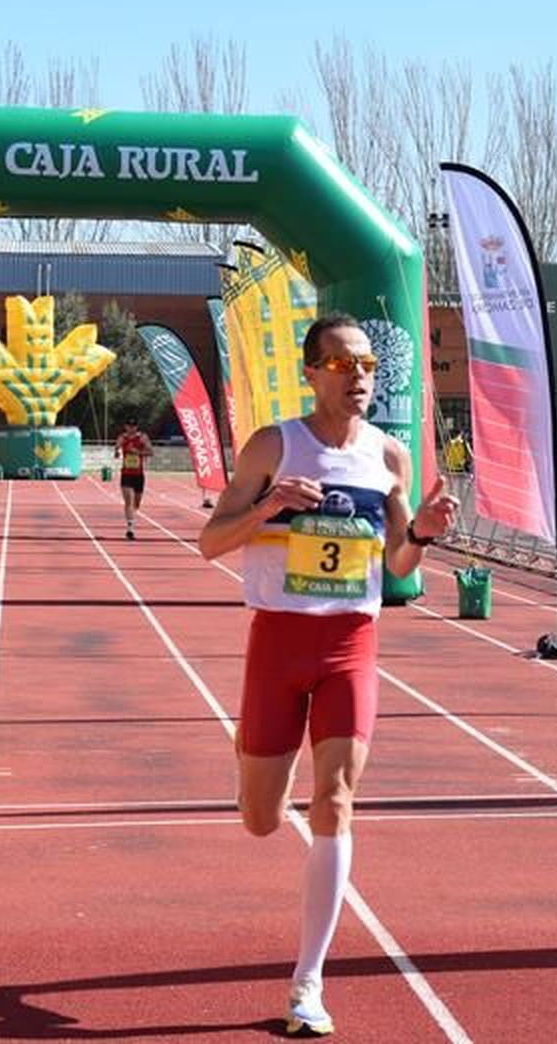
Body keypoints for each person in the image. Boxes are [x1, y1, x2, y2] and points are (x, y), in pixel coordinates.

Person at [196, 314, 459, 1037]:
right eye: (342, 366)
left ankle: (307, 983)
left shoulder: (389, 457)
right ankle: (252, 750)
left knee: (335, 801)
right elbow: (209, 543)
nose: (359, 378)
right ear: (311, 373)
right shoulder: (274, 446)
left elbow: (400, 564)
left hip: (351, 643)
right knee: (260, 821)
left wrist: (427, 532)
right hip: (278, 643)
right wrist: (271, 504)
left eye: (368, 364)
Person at [114, 419, 153, 540]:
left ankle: (131, 517)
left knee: (136, 503)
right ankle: (130, 529)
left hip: (139, 475)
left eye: (133, 426)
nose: (131, 428)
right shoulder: (122, 438)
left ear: (136, 427)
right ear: (125, 426)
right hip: (126, 474)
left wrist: (138, 452)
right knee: (129, 502)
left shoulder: (142, 437)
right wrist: (116, 452)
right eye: (129, 426)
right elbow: (116, 448)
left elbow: (151, 452)